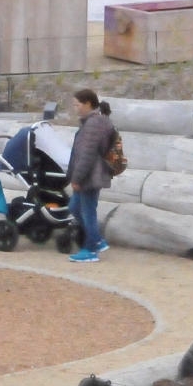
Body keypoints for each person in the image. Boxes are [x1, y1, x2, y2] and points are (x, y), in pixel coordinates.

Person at [66, 88, 115, 263]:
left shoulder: (93, 125)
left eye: (77, 105)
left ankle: (92, 247)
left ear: (87, 103)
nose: (76, 108)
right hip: (91, 175)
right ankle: (96, 241)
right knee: (75, 207)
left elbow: (86, 154)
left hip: (90, 176)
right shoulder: (93, 122)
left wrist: (76, 178)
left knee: (87, 212)